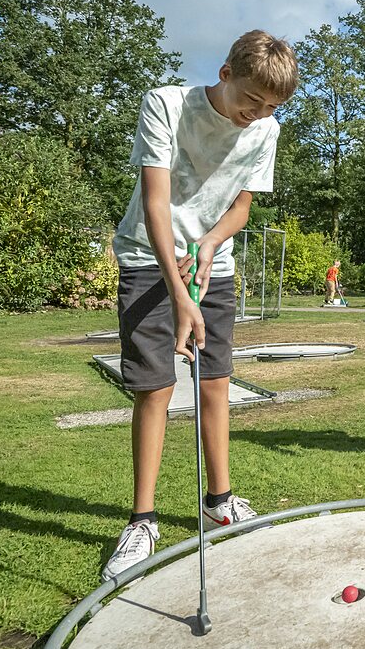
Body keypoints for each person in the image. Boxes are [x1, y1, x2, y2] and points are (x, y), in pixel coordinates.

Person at [103, 30, 298, 581]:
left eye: (270, 107)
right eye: (251, 101)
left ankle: (220, 501)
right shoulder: (166, 104)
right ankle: (142, 520)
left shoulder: (266, 130)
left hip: (214, 263)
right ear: (226, 73)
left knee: (216, 382)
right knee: (155, 388)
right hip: (149, 257)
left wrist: (210, 246)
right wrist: (180, 291)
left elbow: (241, 206)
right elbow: (155, 200)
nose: (256, 115)